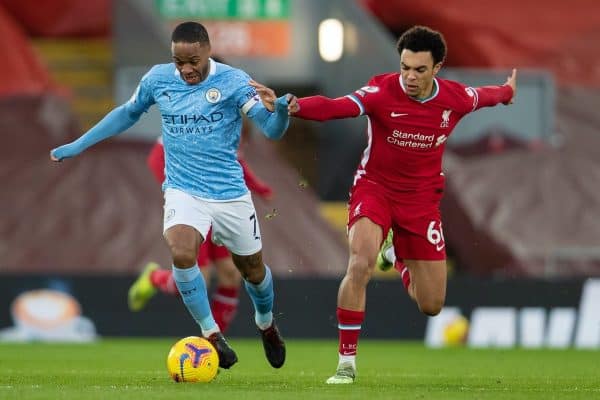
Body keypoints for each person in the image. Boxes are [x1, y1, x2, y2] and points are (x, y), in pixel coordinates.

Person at [254, 25, 516, 383]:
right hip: (374, 190)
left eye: (419, 70)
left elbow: (487, 95)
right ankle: (346, 365)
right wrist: (295, 105)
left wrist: (506, 91)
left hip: (421, 203)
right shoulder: (382, 89)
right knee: (359, 263)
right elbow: (338, 107)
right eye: (405, 66)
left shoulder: (455, 98)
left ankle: (394, 256)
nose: (409, 76)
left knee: (431, 304)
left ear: (437, 68)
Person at [50, 21, 289, 370]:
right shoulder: (158, 79)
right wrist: (79, 144)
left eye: (193, 60)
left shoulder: (235, 81)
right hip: (183, 190)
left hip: (229, 195)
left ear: (207, 51)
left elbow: (272, 130)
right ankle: (211, 334)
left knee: (252, 271)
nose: (186, 69)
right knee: (180, 251)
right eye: (179, 61)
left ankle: (266, 323)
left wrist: (279, 110)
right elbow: (127, 114)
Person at [128, 134, 274, 336]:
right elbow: (155, 157)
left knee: (231, 274)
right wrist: (180, 192)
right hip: (194, 210)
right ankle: (155, 277)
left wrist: (259, 188)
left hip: (221, 205)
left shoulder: (228, 122)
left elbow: (235, 162)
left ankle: (211, 347)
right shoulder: (190, 118)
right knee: (199, 282)